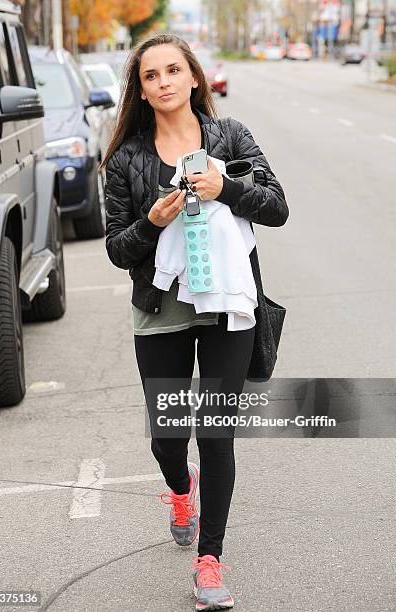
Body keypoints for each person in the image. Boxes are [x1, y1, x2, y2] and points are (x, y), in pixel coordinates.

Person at [101, 33, 289, 612]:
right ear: (141, 87)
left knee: (216, 431)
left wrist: (227, 188)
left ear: (193, 77)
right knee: (168, 438)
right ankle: (181, 489)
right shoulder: (128, 159)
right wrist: (154, 221)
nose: (163, 83)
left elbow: (278, 206)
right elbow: (116, 249)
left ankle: (210, 560)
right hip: (162, 307)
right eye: (150, 75)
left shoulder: (230, 135)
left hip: (229, 303)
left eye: (172, 71)